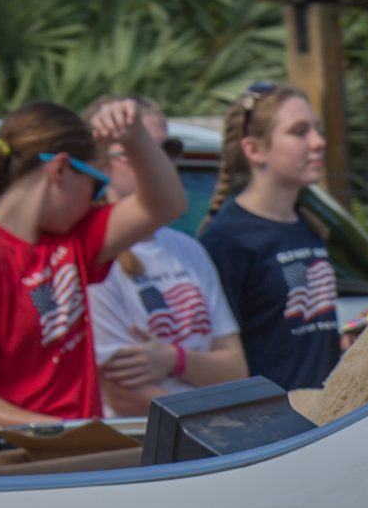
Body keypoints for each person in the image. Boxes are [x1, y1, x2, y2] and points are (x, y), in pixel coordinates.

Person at [0, 99, 186, 426]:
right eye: (96, 184)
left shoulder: (69, 237)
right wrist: (56, 436)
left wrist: (136, 138)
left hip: (75, 454)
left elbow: (165, 205)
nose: (97, 199)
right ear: (59, 169)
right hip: (25, 467)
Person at [85, 96, 247, 417]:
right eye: (137, 149)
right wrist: (206, 422)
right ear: (101, 163)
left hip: (202, 439)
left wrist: (174, 359)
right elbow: (122, 395)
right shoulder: (95, 253)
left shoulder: (187, 248)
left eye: (168, 149)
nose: (160, 161)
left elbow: (235, 369)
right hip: (142, 448)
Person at [199, 82, 341, 391]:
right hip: (275, 429)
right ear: (254, 150)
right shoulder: (227, 238)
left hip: (324, 418)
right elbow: (221, 354)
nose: (318, 142)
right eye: (299, 131)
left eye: (316, 129)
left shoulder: (305, 222)